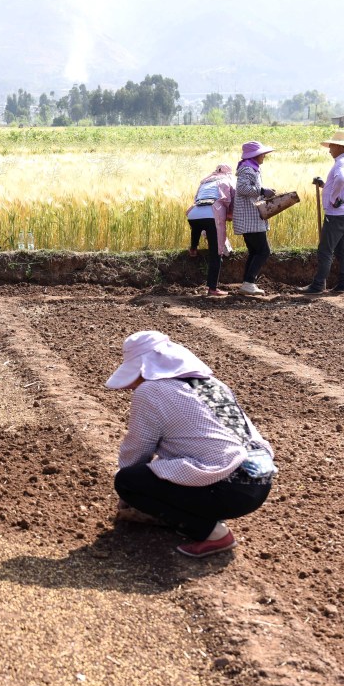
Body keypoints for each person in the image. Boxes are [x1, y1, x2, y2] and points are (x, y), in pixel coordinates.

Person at [106, 331, 276, 558]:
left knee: (128, 481)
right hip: (258, 481)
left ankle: (214, 533)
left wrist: (129, 495)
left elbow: (139, 447)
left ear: (144, 367)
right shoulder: (210, 383)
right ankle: (199, 512)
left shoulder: (151, 391)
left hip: (226, 489)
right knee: (164, 472)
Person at [299, 130, 344, 295]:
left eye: (332, 146)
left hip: (336, 214)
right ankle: (342, 284)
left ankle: (318, 285)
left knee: (325, 250)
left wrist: (333, 198)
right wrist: (324, 186)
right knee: (343, 248)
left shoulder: (341, 163)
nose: (329, 149)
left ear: (340, 146)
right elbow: (340, 184)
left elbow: (340, 179)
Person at [233, 141, 276, 295]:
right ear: (255, 155)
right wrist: (263, 190)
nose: (264, 156)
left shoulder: (252, 169)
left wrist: (263, 192)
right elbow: (242, 188)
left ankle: (247, 283)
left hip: (251, 218)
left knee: (254, 251)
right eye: (262, 154)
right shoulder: (247, 169)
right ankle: (249, 282)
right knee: (263, 251)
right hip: (250, 218)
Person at [186, 164, 236, 297]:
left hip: (194, 213)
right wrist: (230, 215)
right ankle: (212, 288)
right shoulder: (227, 180)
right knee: (216, 253)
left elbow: (197, 198)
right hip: (212, 214)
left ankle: (193, 249)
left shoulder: (205, 181)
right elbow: (231, 199)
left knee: (197, 227)